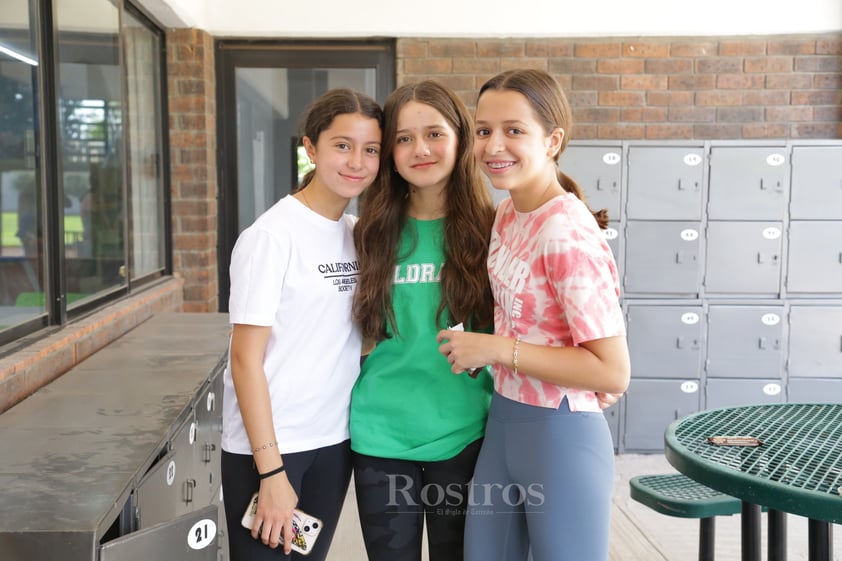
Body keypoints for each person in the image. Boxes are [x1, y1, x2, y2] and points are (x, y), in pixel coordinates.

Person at [436, 69, 631, 561]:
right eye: (483, 131)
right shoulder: (507, 213)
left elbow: (612, 371)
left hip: (560, 433)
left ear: (553, 140)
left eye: (514, 130)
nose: (493, 145)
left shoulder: (567, 233)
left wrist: (496, 349)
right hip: (506, 418)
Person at [220, 88, 383, 561]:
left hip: (333, 441)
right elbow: (244, 361)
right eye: (342, 145)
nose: (357, 162)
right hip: (272, 449)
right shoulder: (270, 237)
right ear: (310, 148)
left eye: (370, 149)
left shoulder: (355, 233)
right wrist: (271, 473)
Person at [350, 80, 496, 561]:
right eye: (404, 138)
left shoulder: (493, 228)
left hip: (463, 433)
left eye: (434, 133)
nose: (420, 150)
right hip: (381, 433)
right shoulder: (369, 230)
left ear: (460, 138)